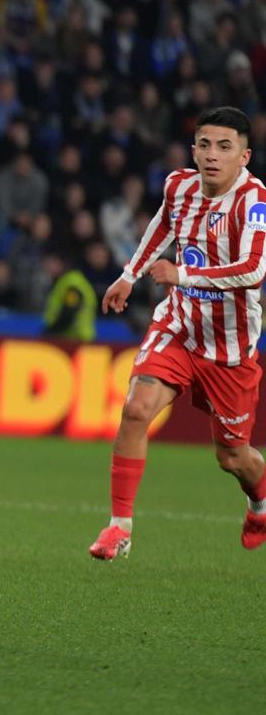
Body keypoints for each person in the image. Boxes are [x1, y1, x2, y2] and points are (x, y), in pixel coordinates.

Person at [91, 107, 266, 560]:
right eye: (204, 145)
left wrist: (183, 274)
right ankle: (119, 527)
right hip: (179, 326)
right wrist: (130, 273)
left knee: (233, 457)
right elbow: (163, 226)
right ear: (193, 150)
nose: (212, 155)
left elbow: (252, 269)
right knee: (136, 408)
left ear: (244, 156)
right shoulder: (178, 186)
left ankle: (260, 503)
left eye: (224, 147)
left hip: (229, 347)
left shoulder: (254, 200)